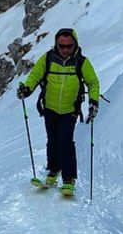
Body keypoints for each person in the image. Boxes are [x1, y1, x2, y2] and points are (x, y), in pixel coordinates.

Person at [17, 28, 99, 196]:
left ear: (75, 45)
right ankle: (53, 170)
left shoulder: (81, 62)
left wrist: (93, 101)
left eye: (69, 46)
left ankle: (69, 179)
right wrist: (27, 89)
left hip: (70, 109)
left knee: (66, 141)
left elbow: (93, 82)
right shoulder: (48, 59)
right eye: (62, 46)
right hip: (50, 108)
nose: (65, 50)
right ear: (57, 44)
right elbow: (35, 76)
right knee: (52, 140)